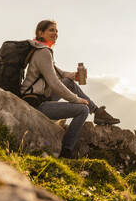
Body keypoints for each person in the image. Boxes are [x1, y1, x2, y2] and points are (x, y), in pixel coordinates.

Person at [21, 20, 120, 159]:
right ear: (40, 32)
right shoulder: (43, 52)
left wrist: (74, 76)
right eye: (51, 30)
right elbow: (54, 83)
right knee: (82, 109)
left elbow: (59, 73)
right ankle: (66, 151)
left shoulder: (42, 50)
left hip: (41, 97)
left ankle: (97, 112)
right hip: (36, 104)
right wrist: (77, 100)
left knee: (68, 82)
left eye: (56, 31)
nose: (55, 33)